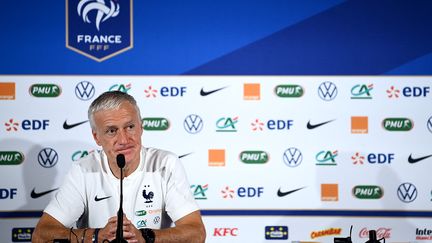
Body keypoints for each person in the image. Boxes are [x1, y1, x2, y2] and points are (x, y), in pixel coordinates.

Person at [32, 91, 206, 243]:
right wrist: (96, 236)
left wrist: (145, 237)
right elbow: (41, 235)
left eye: (130, 127)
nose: (124, 140)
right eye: (111, 131)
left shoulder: (165, 163)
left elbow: (196, 233)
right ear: (96, 137)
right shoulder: (83, 169)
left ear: (141, 127)